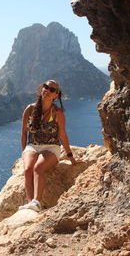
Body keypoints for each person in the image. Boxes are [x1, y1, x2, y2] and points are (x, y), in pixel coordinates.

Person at [19, 80, 83, 212]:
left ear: (56, 95)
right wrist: (24, 152)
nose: (48, 90)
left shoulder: (57, 113)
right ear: (41, 89)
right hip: (32, 146)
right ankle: (30, 203)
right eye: (46, 87)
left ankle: (36, 202)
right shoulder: (30, 109)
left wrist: (71, 157)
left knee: (38, 168)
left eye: (52, 90)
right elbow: (23, 133)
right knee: (27, 169)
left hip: (51, 147)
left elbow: (63, 135)